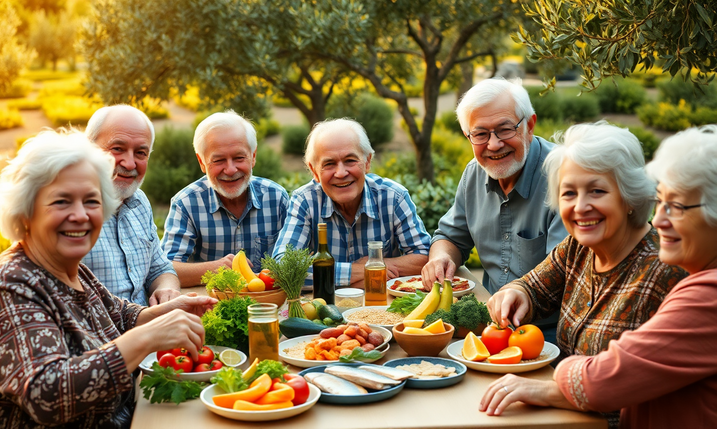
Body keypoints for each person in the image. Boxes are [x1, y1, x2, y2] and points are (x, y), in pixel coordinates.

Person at [0, 130, 216, 428]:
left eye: (91, 201)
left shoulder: (72, 270)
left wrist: (167, 312)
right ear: (24, 213)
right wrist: (147, 337)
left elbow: (119, 316)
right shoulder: (6, 286)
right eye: (61, 202)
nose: (80, 215)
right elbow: (45, 395)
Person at [480, 125, 717, 428]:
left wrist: (563, 374)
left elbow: (610, 380)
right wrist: (518, 292)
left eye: (678, 207)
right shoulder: (579, 247)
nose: (659, 219)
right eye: (568, 193)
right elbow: (535, 286)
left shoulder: (684, 278)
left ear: (630, 197)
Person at [422, 77, 568, 337]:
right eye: (480, 134)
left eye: (505, 129)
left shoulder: (564, 177)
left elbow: (562, 273)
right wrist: (441, 258)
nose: (493, 144)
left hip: (547, 334)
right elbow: (450, 236)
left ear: (530, 125)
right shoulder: (474, 174)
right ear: (468, 136)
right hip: (489, 326)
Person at [273, 118, 431, 287]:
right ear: (314, 171)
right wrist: (360, 271)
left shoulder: (393, 197)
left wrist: (376, 265)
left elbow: (424, 257)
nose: (341, 173)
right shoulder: (305, 201)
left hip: (382, 308)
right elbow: (283, 268)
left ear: (367, 162)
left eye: (350, 160)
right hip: (321, 309)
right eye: (329, 164)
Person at [161, 111, 289, 286]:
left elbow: (297, 260)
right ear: (201, 162)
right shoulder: (186, 203)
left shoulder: (276, 198)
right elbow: (165, 270)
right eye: (219, 160)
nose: (230, 170)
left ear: (253, 156)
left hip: (267, 306)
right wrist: (214, 269)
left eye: (238, 158)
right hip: (211, 305)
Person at [82, 105, 181, 306]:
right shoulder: (72, 213)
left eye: (140, 153)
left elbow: (160, 268)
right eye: (117, 148)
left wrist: (166, 289)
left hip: (149, 327)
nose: (129, 163)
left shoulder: (140, 202)